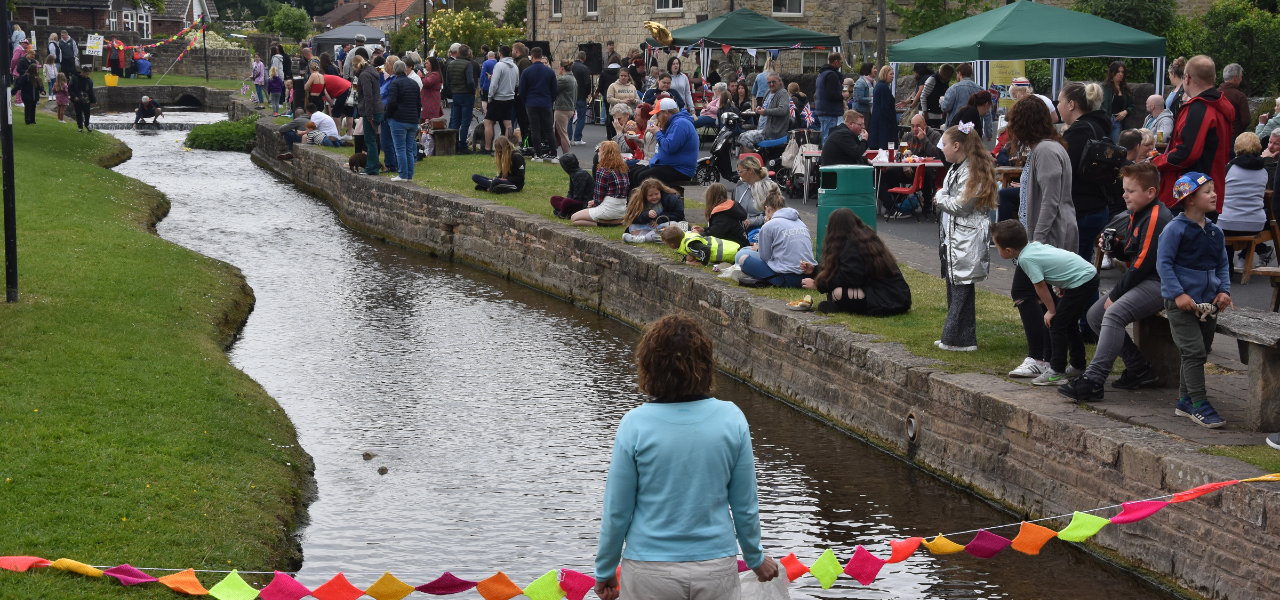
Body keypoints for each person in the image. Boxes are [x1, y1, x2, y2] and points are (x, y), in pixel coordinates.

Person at [1058, 162, 1173, 401]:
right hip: (1146, 279)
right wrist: (1117, 249)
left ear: (1150, 193)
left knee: (1112, 313)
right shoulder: (1137, 213)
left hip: (1162, 283)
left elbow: (1142, 265)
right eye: (1124, 190)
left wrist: (1115, 294)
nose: (1124, 195)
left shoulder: (1156, 217)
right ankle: (1139, 368)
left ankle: (1094, 380)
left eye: (1130, 191)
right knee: (1094, 315)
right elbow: (1134, 254)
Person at [1002, 95, 1075, 379]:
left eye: (1012, 122)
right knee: (1047, 296)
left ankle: (1040, 357)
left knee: (1024, 292)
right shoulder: (1046, 148)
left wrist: (1037, 241)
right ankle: (1053, 356)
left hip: (1048, 235)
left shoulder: (1045, 151)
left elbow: (1051, 201)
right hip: (1047, 233)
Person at [1156, 172, 1232, 428]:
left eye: (1213, 189)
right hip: (1181, 305)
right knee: (1194, 351)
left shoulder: (1215, 232)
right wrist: (1178, 294)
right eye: (1207, 191)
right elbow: (1164, 265)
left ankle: (1184, 400)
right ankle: (1199, 404)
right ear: (1189, 199)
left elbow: (1222, 264)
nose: (1214, 194)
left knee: (1199, 353)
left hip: (1209, 306)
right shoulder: (1174, 230)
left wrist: (1225, 291)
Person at [993, 220, 1099, 386]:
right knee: (1069, 323)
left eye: (997, 247)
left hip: (1082, 281)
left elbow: (1041, 287)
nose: (997, 250)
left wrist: (1051, 310)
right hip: (1084, 276)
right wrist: (1062, 285)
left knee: (1056, 324)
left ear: (1008, 250)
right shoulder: (1033, 246)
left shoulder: (1026, 259)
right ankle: (1078, 365)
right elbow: (1054, 263)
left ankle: (1057, 371)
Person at [931, 123, 996, 350]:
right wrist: (943, 195)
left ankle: (952, 337)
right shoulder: (957, 167)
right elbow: (950, 194)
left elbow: (962, 205)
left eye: (945, 144)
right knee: (955, 285)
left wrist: (939, 198)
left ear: (957, 146)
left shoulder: (971, 171)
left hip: (966, 239)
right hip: (955, 238)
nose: (943, 149)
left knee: (961, 290)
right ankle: (964, 339)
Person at [1059, 81, 1114, 328]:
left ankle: (1088, 324)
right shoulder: (1101, 126)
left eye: (1060, 101)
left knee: (1079, 270)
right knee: (1086, 267)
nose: (1058, 106)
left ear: (1071, 104)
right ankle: (1090, 322)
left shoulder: (1077, 133)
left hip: (1081, 208)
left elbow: (1064, 171)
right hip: (1099, 205)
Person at [1153, 55, 1235, 211]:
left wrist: (1155, 162)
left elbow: (1187, 153)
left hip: (1190, 195)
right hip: (1209, 190)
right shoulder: (1220, 107)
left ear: (1187, 78)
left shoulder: (1199, 108)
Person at [800, 208, 911, 316]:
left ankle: (841, 306)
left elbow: (849, 278)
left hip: (888, 299)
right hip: (896, 295)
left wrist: (818, 285)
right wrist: (814, 270)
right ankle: (840, 305)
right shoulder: (862, 238)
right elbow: (841, 270)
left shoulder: (853, 246)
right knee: (833, 291)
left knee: (837, 293)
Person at [734, 190, 814, 288]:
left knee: (742, 258)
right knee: (746, 251)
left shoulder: (769, 225)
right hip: (808, 274)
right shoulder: (800, 222)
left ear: (767, 209)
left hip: (788, 277)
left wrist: (758, 248)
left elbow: (765, 258)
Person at [1219, 133, 1274, 269]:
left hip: (1227, 223)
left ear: (1237, 148)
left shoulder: (1229, 169)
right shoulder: (1264, 171)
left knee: (1225, 215)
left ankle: (1227, 268)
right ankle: (1260, 251)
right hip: (1255, 224)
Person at [630, 98, 698, 187]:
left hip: (680, 169)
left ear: (666, 113)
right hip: (668, 165)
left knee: (642, 176)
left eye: (658, 114)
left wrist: (658, 133)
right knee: (633, 173)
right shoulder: (672, 123)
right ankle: (633, 200)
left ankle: (653, 200)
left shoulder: (680, 123)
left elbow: (670, 147)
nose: (657, 117)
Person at [571, 141, 631, 227]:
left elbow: (599, 195)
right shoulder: (623, 169)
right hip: (621, 209)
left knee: (574, 219)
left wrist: (593, 205)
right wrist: (594, 202)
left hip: (608, 209)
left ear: (604, 154)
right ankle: (614, 221)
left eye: (600, 151)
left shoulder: (603, 170)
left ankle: (604, 224)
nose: (598, 154)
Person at [384, 61, 422, 182]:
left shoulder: (395, 84)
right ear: (405, 70)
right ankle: (409, 176)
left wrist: (386, 116)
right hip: (412, 120)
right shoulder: (414, 83)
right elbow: (418, 104)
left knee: (400, 148)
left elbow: (391, 103)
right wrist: (416, 118)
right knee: (409, 149)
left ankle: (402, 175)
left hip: (398, 119)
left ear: (394, 71)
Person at [520, 47, 558, 159]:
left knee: (534, 129)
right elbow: (554, 90)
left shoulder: (526, 72)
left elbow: (522, 90)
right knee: (549, 130)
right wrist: (550, 100)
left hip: (531, 103)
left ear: (531, 56)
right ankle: (554, 154)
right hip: (546, 103)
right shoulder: (550, 72)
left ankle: (538, 154)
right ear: (541, 57)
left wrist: (526, 100)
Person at [734, 155, 782, 243]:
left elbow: (775, 214)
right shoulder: (740, 185)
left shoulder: (769, 187)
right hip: (740, 229)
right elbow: (734, 207)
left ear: (750, 170)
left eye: (740, 171)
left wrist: (752, 222)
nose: (739, 174)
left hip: (759, 228)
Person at [738, 73, 790, 152]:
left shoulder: (783, 93)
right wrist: (760, 108)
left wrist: (765, 111)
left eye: (774, 82)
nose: (771, 84)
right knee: (741, 136)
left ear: (779, 81)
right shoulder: (768, 92)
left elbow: (782, 110)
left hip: (773, 132)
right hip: (763, 129)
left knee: (745, 139)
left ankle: (750, 162)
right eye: (769, 82)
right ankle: (752, 157)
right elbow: (766, 108)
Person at [620, 178, 684, 242]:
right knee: (633, 227)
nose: (654, 197)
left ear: (660, 191)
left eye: (656, 194)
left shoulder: (672, 198)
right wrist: (646, 215)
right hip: (648, 226)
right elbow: (631, 217)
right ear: (644, 195)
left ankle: (641, 239)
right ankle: (651, 237)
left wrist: (659, 219)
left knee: (675, 225)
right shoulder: (638, 201)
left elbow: (679, 215)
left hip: (664, 225)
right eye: (650, 195)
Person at [354, 55, 385, 175]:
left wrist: (368, 113)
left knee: (370, 141)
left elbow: (368, 96)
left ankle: (372, 168)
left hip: (371, 111)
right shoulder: (372, 72)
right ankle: (372, 166)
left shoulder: (364, 75)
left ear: (356, 65)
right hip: (377, 109)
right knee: (373, 140)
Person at [693, 183, 749, 247]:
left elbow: (714, 235)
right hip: (740, 244)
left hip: (734, 248)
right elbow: (718, 228)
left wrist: (698, 235)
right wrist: (704, 230)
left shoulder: (722, 213)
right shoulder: (729, 208)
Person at [485, 46, 518, 154]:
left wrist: (490, 97)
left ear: (500, 54)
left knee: (488, 122)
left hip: (498, 98)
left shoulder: (499, 65)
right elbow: (517, 83)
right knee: (508, 123)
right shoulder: (514, 66)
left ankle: (487, 148)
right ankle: (507, 147)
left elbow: (494, 84)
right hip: (510, 98)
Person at [447, 44, 478, 155]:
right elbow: (470, 81)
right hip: (466, 94)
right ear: (468, 53)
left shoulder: (451, 64)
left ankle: (454, 144)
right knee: (465, 121)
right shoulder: (467, 64)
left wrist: (453, 90)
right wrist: (472, 91)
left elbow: (447, 81)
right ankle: (463, 145)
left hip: (456, 94)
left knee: (455, 120)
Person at [551, 153, 596, 218]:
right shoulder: (573, 174)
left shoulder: (581, 174)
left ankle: (565, 213)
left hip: (586, 203)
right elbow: (570, 192)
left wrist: (568, 203)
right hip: (577, 201)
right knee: (554, 199)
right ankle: (565, 212)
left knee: (566, 202)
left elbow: (578, 196)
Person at [814, 52, 845, 143]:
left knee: (825, 136)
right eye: (841, 62)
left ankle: (823, 156)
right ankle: (826, 157)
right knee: (828, 139)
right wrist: (842, 96)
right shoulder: (831, 75)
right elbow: (831, 95)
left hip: (823, 110)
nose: (841, 64)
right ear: (836, 62)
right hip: (829, 111)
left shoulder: (822, 74)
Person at [941, 63, 981, 127]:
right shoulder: (979, 89)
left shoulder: (953, 88)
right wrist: (988, 133)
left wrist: (942, 101)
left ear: (959, 73)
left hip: (955, 128)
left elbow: (946, 107)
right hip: (973, 128)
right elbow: (986, 112)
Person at [867, 65, 897, 152]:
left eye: (893, 74)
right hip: (884, 124)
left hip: (878, 122)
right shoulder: (883, 87)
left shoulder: (879, 86)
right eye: (890, 74)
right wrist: (892, 119)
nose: (893, 76)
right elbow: (885, 107)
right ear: (885, 74)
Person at [1218, 63, 1251, 143]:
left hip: (1217, 136)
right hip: (1235, 137)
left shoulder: (1215, 94)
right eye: (1241, 77)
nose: (1241, 79)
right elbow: (1246, 120)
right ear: (1235, 77)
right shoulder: (1239, 96)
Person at [1102, 61, 1133, 143]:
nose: (1120, 74)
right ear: (1112, 73)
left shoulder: (1125, 89)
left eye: (1122, 72)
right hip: (1106, 121)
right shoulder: (1104, 88)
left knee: (1116, 146)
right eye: (1118, 71)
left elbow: (1132, 106)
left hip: (1118, 122)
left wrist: (1126, 111)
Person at [553, 59, 578, 156]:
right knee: (559, 132)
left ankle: (566, 155)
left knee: (563, 134)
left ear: (562, 68)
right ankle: (555, 152)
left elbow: (554, 90)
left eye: (559, 66)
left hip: (562, 108)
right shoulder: (572, 78)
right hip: (569, 108)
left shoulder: (564, 79)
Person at [606, 68, 639, 139]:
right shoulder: (613, 86)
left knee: (628, 135)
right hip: (616, 115)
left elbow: (638, 100)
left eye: (625, 76)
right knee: (615, 135)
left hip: (629, 114)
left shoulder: (632, 87)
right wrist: (621, 101)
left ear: (628, 76)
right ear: (619, 76)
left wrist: (634, 101)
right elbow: (609, 99)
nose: (623, 77)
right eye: (621, 75)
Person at [568, 51, 591, 145]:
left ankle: (568, 138)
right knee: (581, 117)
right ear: (584, 59)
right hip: (581, 96)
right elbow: (587, 83)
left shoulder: (570, 67)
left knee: (569, 118)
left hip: (570, 96)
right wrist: (587, 93)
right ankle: (577, 138)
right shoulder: (584, 68)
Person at [919, 64, 953, 129]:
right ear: (944, 74)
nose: (949, 78)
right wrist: (925, 112)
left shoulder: (945, 83)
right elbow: (923, 96)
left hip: (938, 113)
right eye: (949, 76)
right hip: (928, 113)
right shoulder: (932, 79)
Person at [69, 65, 95, 133]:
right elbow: (70, 88)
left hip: (86, 100)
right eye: (86, 74)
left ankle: (87, 124)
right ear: (82, 72)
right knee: (78, 113)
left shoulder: (89, 81)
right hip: (77, 99)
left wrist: (94, 100)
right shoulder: (74, 78)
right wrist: (74, 96)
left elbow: (91, 91)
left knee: (87, 113)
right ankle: (80, 126)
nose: (87, 75)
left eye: (88, 74)